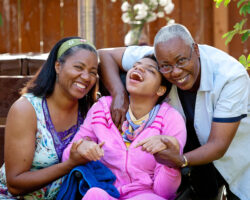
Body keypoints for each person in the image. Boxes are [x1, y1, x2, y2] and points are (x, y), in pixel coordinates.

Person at [97, 24, 250, 200]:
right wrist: (118, 93)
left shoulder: (230, 76)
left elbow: (218, 145)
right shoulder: (156, 58)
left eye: (182, 61)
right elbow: (105, 54)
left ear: (196, 49)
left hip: (235, 157)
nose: (176, 71)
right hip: (190, 158)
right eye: (166, 66)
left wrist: (180, 160)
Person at [62, 54, 187, 200]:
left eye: (150, 70)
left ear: (160, 90)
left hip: (145, 195)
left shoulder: (171, 119)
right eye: (135, 65)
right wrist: (81, 148)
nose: (138, 68)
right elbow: (67, 157)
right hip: (105, 189)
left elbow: (164, 193)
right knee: (94, 194)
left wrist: (170, 163)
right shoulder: (102, 108)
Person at [0, 37, 99, 199]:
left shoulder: (91, 111)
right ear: (58, 66)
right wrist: (70, 164)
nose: (86, 77)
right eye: (78, 67)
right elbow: (15, 184)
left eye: (93, 72)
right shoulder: (27, 109)